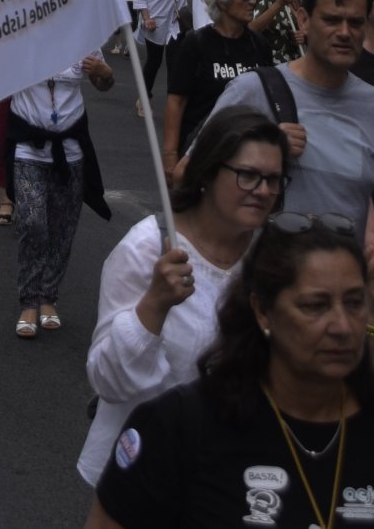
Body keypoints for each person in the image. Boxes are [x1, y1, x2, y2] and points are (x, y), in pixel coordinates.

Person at [86, 222, 374, 529]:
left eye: (354, 302)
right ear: (262, 311)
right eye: (315, 306)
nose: (341, 326)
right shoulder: (181, 424)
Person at [79, 107, 285, 486]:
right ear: (208, 172)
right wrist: (153, 306)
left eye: (273, 179)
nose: (263, 190)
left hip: (236, 469)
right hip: (147, 471)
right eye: (247, 175)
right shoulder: (148, 248)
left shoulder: (273, 255)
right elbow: (108, 381)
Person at [207, 0, 374, 256]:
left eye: (355, 22)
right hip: (257, 279)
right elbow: (190, 176)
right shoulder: (252, 91)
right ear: (303, 19)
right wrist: (262, 150)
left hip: (343, 282)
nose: (344, 33)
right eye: (331, 20)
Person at [9, 51, 115, 338]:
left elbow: (103, 84)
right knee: (32, 222)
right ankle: (28, 300)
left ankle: (48, 297)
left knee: (62, 228)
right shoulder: (18, 38)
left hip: (71, 151)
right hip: (28, 147)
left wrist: (105, 73)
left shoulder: (83, 40)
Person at [158, 0, 279, 182]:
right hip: (202, 150)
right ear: (222, 2)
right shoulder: (196, 43)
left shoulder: (259, 44)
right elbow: (176, 102)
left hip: (247, 153)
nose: (253, 1)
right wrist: (170, 155)